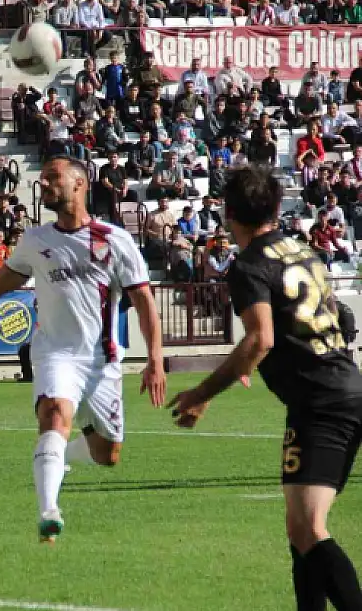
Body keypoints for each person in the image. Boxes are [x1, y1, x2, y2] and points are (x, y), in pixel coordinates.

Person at [0, 157, 166, 544]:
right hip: (54, 354)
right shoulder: (35, 240)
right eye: (42, 178)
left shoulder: (114, 239)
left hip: (102, 361)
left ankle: (59, 458)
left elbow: (144, 301)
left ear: (79, 184)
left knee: (107, 454)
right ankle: (49, 511)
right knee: (54, 416)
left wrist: (155, 360)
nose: (44, 184)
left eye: (53, 178)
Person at [169, 166, 362, 611]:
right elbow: (339, 320)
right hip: (344, 386)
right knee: (300, 528)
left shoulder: (251, 264)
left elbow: (260, 339)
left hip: (320, 402)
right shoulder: (303, 251)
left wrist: (200, 394)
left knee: (309, 528)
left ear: (227, 211)